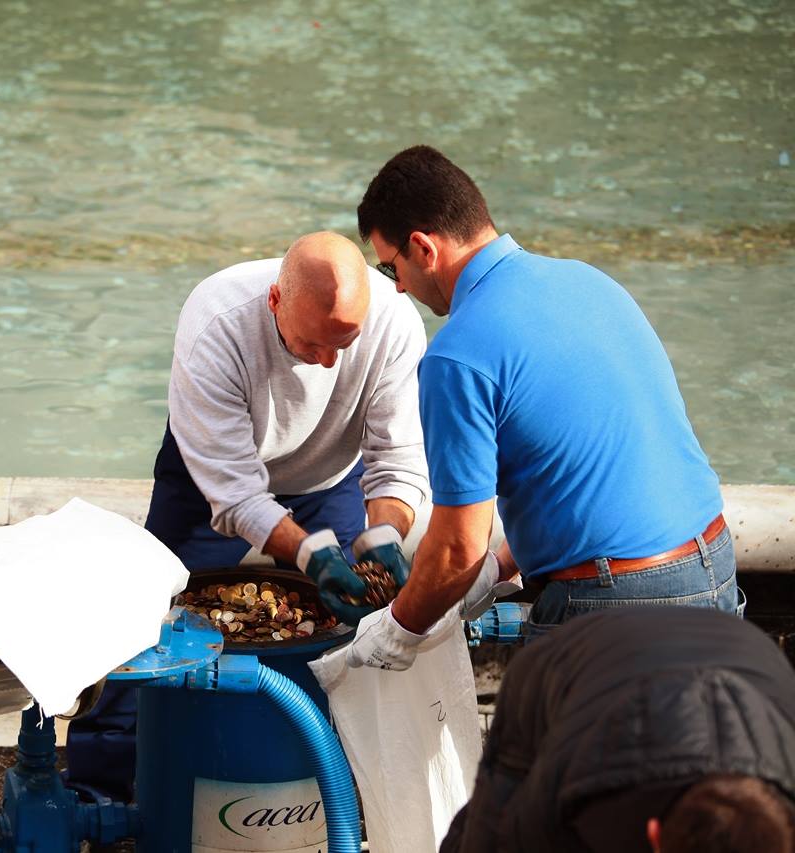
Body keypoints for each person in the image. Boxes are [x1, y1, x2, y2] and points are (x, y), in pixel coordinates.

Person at [65, 230, 431, 802]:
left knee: (347, 629)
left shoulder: (395, 323)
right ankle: (98, 786)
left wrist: (386, 530)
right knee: (149, 619)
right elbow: (235, 494)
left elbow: (397, 456)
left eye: (344, 344)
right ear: (275, 301)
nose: (328, 362)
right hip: (211, 473)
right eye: (312, 344)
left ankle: (323, 777)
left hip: (331, 472)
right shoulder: (216, 321)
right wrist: (309, 554)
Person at [347, 145, 738, 672]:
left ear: (422, 247)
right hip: (713, 566)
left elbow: (458, 547)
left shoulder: (455, 356)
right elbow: (588, 466)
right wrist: (500, 565)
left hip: (612, 607)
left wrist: (398, 631)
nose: (396, 286)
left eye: (390, 266)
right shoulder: (590, 281)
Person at [439, 607, 795, 852]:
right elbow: (501, 835)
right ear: (653, 835)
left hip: (737, 645)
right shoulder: (587, 799)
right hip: (570, 658)